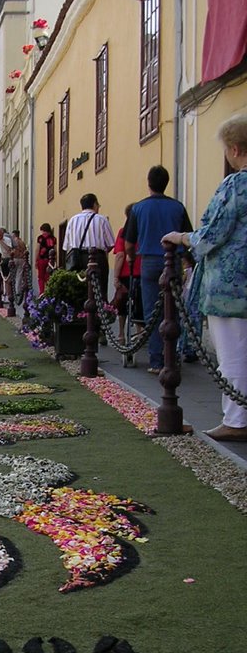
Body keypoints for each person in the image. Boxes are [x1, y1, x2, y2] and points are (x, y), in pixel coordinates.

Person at [163, 113, 247, 442]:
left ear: (236, 148)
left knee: (234, 356)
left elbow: (212, 234)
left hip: (230, 288)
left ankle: (237, 420)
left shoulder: (236, 185)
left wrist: (183, 238)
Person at [124, 166, 192, 374]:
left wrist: (131, 256)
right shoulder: (178, 207)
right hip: (172, 262)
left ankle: (156, 360)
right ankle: (171, 356)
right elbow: (188, 238)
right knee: (172, 310)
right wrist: (188, 261)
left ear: (149, 182)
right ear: (167, 182)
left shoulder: (138, 208)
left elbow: (128, 242)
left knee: (151, 312)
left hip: (149, 262)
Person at [63, 193, 115, 301]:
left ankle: (79, 314)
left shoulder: (72, 220)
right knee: (100, 290)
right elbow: (110, 244)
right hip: (97, 258)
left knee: (77, 290)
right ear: (95, 204)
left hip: (77, 258)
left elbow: (66, 246)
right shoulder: (102, 219)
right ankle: (99, 314)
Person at [112, 205, 142, 348]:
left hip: (126, 273)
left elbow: (120, 255)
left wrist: (115, 277)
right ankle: (139, 332)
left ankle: (122, 334)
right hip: (142, 272)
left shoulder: (123, 232)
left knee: (123, 304)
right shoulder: (143, 230)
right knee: (139, 303)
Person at [36, 223, 56, 295]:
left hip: (42, 259)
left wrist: (36, 260)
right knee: (48, 276)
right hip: (50, 260)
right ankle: (48, 292)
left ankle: (41, 292)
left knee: (41, 277)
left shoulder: (40, 238)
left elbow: (37, 249)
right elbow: (55, 249)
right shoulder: (53, 238)